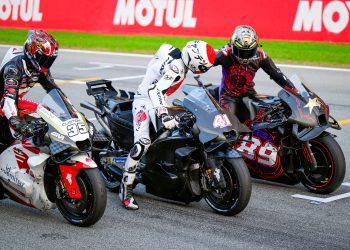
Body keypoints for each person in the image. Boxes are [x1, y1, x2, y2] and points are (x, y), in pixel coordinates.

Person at [119, 40, 216, 210]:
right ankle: (125, 188)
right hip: (145, 100)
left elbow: (162, 51)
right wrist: (163, 114)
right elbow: (155, 91)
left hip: (161, 99)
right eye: (202, 66)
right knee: (142, 144)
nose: (202, 70)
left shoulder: (174, 52)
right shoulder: (177, 68)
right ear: (193, 60)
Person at [214, 25, 294, 122]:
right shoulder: (225, 53)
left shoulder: (261, 56)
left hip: (249, 94)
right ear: (232, 45)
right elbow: (205, 62)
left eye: (249, 52)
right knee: (228, 126)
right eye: (241, 51)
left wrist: (294, 90)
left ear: (256, 47)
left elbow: (277, 75)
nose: (245, 56)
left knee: (268, 119)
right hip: (228, 96)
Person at [0, 30, 60, 145]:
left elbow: (54, 90)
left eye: (49, 60)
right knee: (9, 141)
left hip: (16, 102)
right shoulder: (14, 68)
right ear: (31, 51)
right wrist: (17, 123)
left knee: (48, 114)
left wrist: (71, 112)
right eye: (42, 58)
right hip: (4, 104)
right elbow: (8, 100)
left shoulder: (40, 69)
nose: (46, 63)